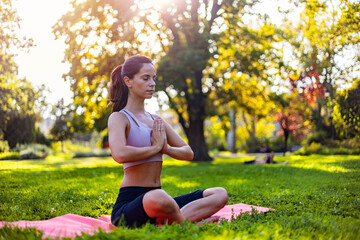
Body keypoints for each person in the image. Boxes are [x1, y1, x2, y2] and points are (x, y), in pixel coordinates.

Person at [107, 55, 228, 228]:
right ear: (128, 81)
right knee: (160, 197)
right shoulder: (119, 118)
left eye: (154, 78)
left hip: (158, 200)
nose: (152, 83)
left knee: (219, 194)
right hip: (130, 205)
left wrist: (165, 148)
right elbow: (119, 154)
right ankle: (186, 226)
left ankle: (166, 224)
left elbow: (188, 152)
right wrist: (155, 147)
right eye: (145, 78)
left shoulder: (156, 120)